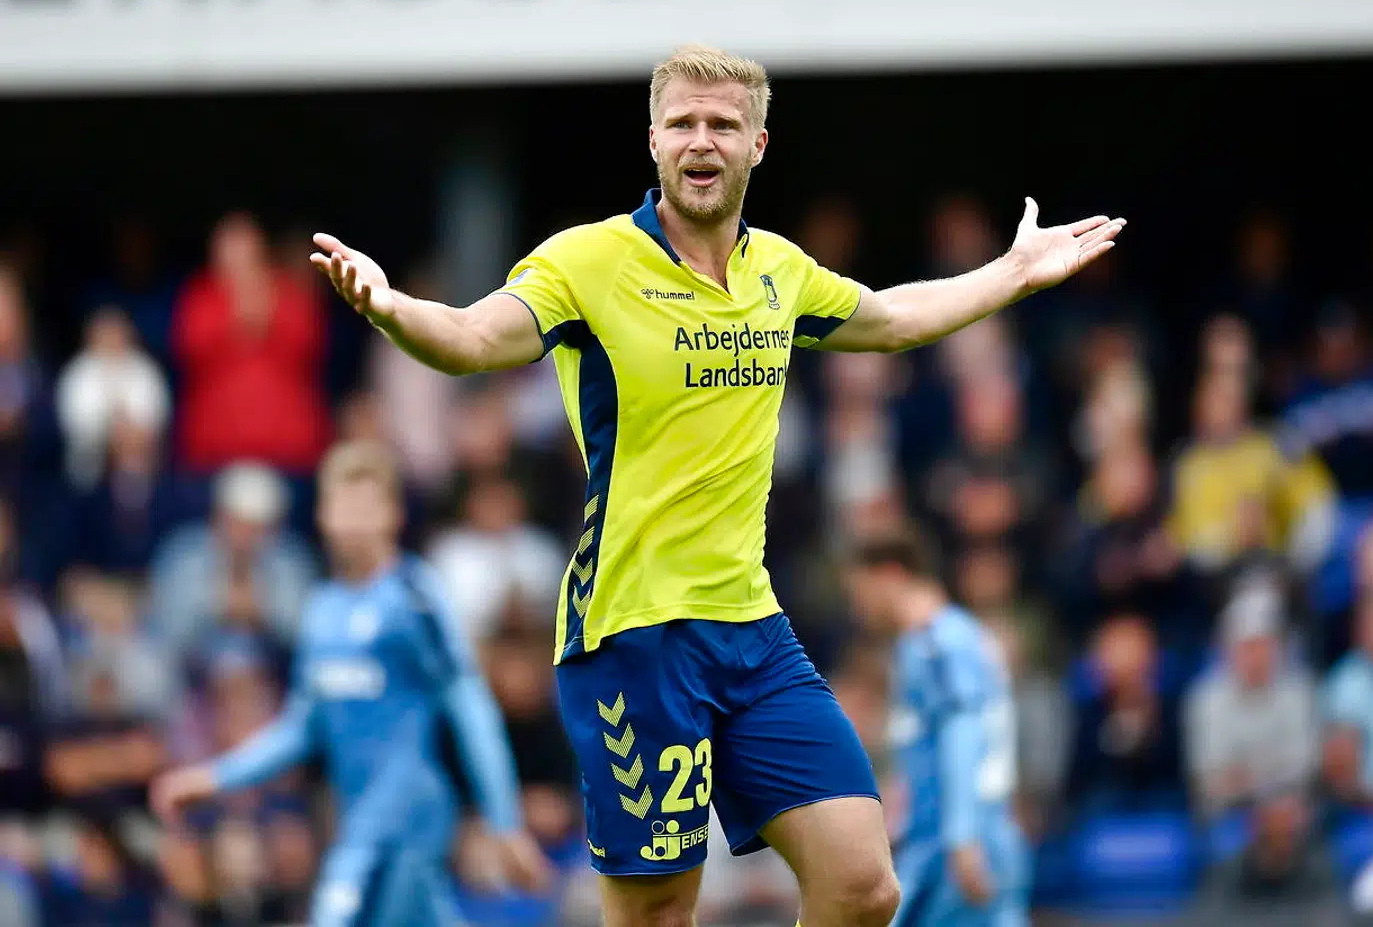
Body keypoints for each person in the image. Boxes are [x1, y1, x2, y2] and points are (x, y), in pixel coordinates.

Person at [309, 45, 1125, 927]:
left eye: (723, 125)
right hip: (633, 632)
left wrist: (1012, 273)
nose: (702, 141)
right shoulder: (589, 263)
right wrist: (392, 311)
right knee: (660, 914)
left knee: (864, 885)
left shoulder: (781, 272)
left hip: (750, 629)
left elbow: (891, 321)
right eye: (684, 124)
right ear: (654, 141)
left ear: (758, 144)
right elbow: (472, 338)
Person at [149, 440, 550, 926]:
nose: (353, 518)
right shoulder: (322, 611)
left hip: (407, 815)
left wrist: (504, 821)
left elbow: (469, 706)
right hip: (358, 818)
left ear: (393, 515)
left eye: (367, 504)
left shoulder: (413, 596)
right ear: (322, 515)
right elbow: (302, 728)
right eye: (343, 503)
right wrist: (214, 777)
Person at [847, 529, 1029, 927]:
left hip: (956, 846)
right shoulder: (945, 638)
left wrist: (962, 838)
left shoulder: (936, 643)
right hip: (959, 838)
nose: (858, 609)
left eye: (860, 594)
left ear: (890, 576)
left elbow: (962, 731)